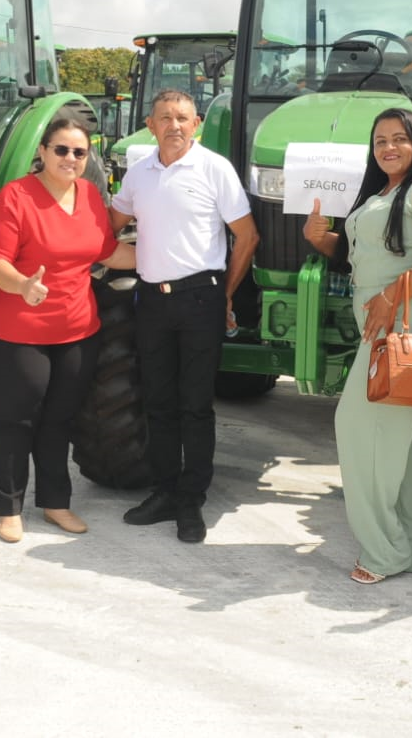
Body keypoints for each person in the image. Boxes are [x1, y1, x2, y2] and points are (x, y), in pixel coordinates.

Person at [303, 107, 412, 583]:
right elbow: (364, 255)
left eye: (399, 138)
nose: (389, 148)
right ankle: (408, 550)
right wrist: (322, 239)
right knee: (404, 448)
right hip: (382, 327)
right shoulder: (382, 193)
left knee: (357, 428)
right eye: (380, 141)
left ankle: (381, 551)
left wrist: (393, 294)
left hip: (405, 324)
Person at [0, 114, 137, 542]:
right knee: (15, 419)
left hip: (77, 330)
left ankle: (55, 503)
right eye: (61, 149)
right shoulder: (16, 196)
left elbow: (106, 252)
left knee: (59, 419)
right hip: (16, 329)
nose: (70, 158)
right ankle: (9, 508)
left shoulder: (89, 195)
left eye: (79, 152)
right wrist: (22, 286)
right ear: (43, 152)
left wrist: (168, 259)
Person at [111, 89, 257, 543]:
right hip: (152, 300)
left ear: (196, 124)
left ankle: (191, 500)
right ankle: (165, 492)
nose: (174, 125)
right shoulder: (139, 173)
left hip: (200, 299)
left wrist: (225, 295)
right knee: (157, 401)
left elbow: (247, 236)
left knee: (194, 405)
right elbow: (107, 226)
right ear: (150, 125)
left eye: (182, 118)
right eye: (165, 118)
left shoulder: (215, 168)